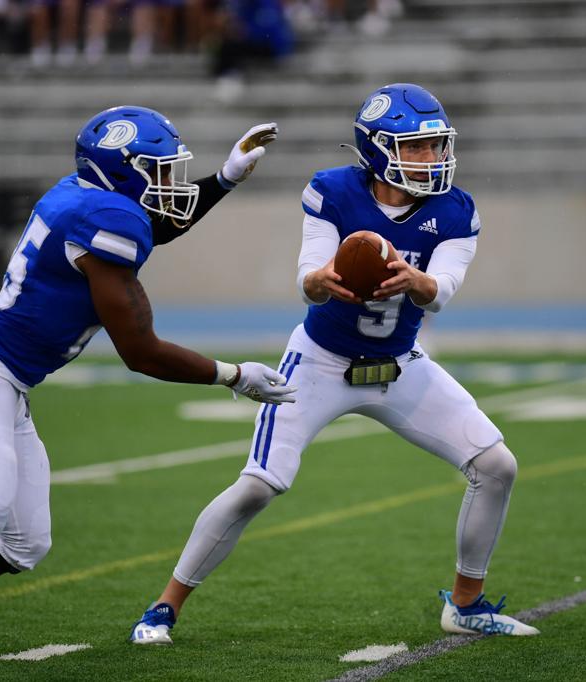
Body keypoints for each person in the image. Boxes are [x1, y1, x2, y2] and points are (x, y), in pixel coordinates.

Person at [0, 106, 295, 658]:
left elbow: (152, 223)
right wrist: (232, 375)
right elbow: (140, 351)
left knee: (22, 545)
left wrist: (225, 178)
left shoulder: (86, 195)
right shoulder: (108, 220)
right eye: (157, 171)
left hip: (1, 379)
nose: (169, 183)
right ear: (123, 171)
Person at [127, 83, 538, 645]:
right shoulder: (332, 191)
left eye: (435, 146)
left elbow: (440, 292)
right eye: (415, 147)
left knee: (498, 466)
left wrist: (420, 282)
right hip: (320, 362)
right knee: (258, 486)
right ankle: (163, 606)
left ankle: (465, 604)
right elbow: (308, 278)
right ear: (376, 149)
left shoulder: (456, 211)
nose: (431, 158)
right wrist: (318, 280)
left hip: (400, 365)